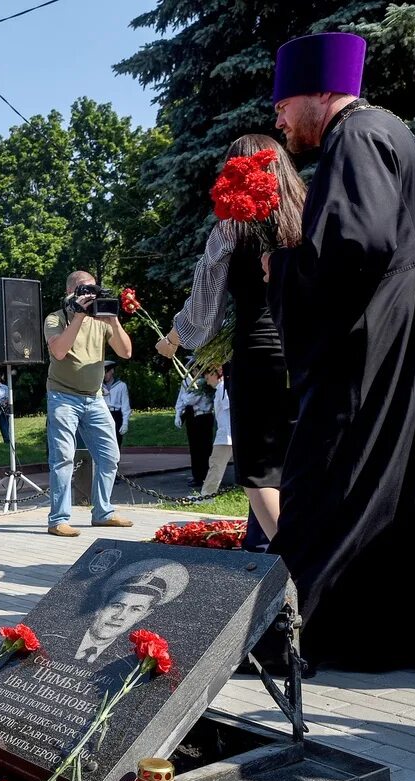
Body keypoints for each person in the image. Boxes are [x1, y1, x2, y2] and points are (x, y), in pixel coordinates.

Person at [265, 32, 415, 672]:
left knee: (326, 472)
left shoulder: (354, 136)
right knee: (397, 481)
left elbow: (354, 246)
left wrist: (280, 269)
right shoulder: (404, 139)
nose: (279, 118)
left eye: (284, 103)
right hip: (412, 336)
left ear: (318, 93)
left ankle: (305, 632)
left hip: (372, 344)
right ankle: (394, 634)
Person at [157, 134, 304, 538]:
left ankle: (306, 575)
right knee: (301, 466)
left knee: (261, 474)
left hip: (259, 354)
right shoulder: (308, 214)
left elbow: (205, 313)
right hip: (310, 353)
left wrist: (173, 338)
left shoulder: (231, 228)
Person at [43, 271, 135, 537]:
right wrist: (79, 316)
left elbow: (126, 352)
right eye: (85, 290)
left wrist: (113, 320)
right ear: (71, 291)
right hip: (63, 396)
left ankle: (103, 513)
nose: (91, 295)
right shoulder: (56, 318)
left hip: (95, 398)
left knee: (109, 456)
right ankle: (58, 519)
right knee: (62, 457)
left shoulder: (101, 319)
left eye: (94, 290)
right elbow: (59, 351)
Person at [75, 558, 189, 663]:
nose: (120, 616)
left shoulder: (128, 658)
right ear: (101, 606)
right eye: (117, 606)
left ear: (143, 616)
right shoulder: (60, 631)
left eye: (135, 609)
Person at [172, 373, 215, 491]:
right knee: (194, 448)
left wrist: (186, 397)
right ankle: (197, 476)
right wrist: (178, 414)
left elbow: (191, 399)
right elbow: (180, 399)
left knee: (205, 448)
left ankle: (207, 475)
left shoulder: (203, 381)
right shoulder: (186, 381)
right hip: (191, 416)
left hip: (204, 416)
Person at [197, 367, 233, 496]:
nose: (207, 382)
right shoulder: (222, 387)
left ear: (214, 374)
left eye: (207, 378)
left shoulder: (223, 388)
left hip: (226, 435)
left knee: (215, 464)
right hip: (228, 433)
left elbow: (229, 407)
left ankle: (207, 495)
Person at [101, 361, 130, 449]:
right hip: (103, 414)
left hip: (116, 414)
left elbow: (125, 405)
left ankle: (116, 463)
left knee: (116, 442)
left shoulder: (121, 385)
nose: (105, 375)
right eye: (103, 373)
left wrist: (125, 423)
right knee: (103, 442)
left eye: (107, 372)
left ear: (112, 371)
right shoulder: (98, 386)